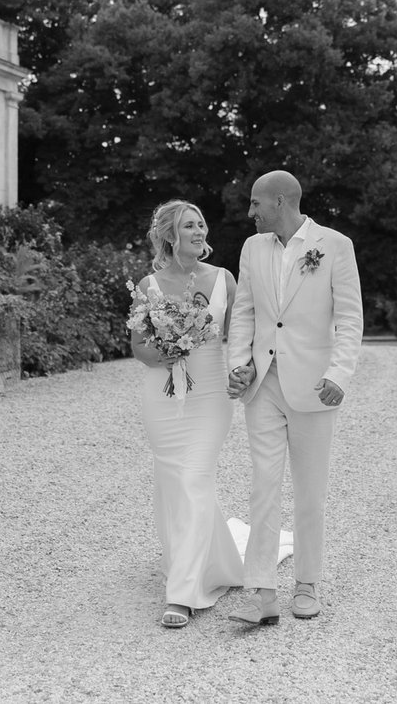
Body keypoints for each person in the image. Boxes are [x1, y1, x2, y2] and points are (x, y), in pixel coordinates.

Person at [227, 170, 362, 624]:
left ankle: (306, 583)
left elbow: (350, 318)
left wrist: (340, 373)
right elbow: (243, 312)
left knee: (309, 492)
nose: (250, 213)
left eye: (256, 204)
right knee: (263, 487)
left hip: (314, 386)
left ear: (281, 202)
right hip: (263, 383)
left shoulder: (335, 245)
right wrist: (238, 365)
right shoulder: (252, 249)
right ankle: (262, 591)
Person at [130, 199, 245, 628]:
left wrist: (244, 371)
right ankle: (192, 560)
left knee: (195, 477)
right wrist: (170, 347)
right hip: (162, 397)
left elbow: (242, 336)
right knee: (173, 482)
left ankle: (182, 593)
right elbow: (139, 348)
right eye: (188, 226)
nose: (199, 232)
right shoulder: (149, 286)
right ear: (169, 236)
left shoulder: (224, 281)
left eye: (200, 225)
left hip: (210, 396)